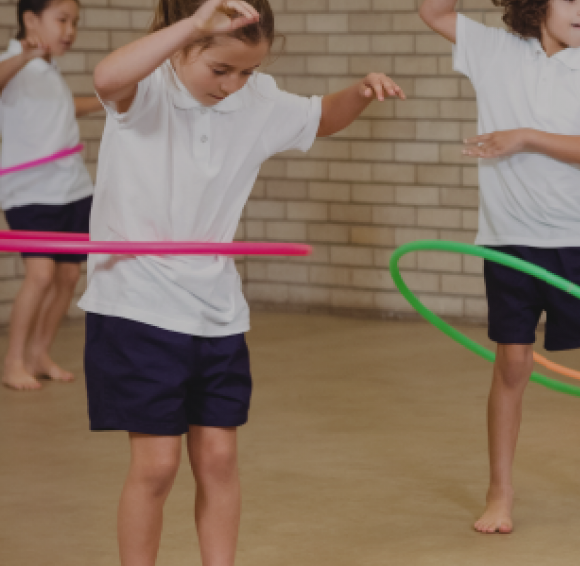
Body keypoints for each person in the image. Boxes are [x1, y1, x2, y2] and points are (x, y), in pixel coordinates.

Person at [85, 1, 403, 563]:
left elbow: (321, 117)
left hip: (216, 310)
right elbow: (106, 77)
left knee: (219, 461)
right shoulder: (148, 88)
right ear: (183, 44)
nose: (233, 85)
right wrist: (191, 26)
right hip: (137, 304)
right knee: (156, 466)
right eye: (220, 70)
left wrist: (360, 91)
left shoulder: (256, 100)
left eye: (246, 72)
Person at [419, 0, 580, 535]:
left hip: (577, 240)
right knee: (513, 364)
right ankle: (500, 493)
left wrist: (525, 135)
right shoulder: (492, 49)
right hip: (508, 241)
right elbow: (432, 10)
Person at [0, 0, 104, 391]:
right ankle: (12, 362)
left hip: (72, 188)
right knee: (40, 275)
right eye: (62, 20)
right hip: (31, 193)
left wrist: (112, 101)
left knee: (69, 275)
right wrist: (26, 53)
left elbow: (63, 109)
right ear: (30, 19)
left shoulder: (48, 72)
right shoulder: (15, 61)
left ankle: (40, 353)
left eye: (75, 22)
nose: (70, 30)